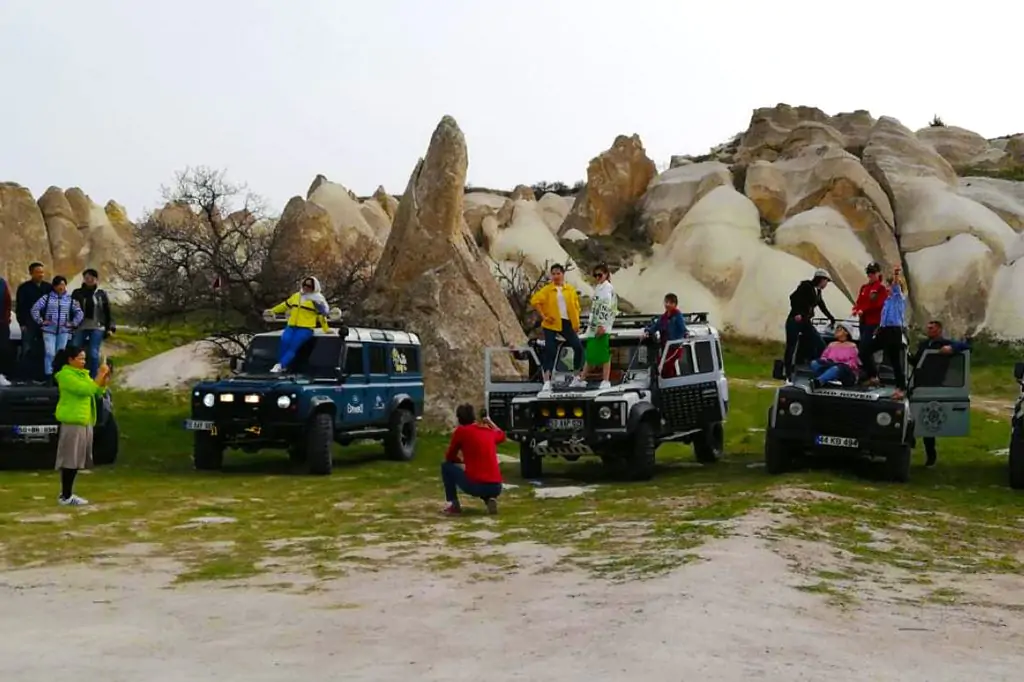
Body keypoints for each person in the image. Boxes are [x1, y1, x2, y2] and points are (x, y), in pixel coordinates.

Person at [53, 344, 112, 506]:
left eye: (84, 358)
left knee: (77, 460)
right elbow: (86, 390)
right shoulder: (65, 375)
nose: (83, 361)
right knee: (70, 460)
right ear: (70, 360)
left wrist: (104, 380)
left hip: (84, 420)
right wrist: (99, 375)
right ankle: (65, 495)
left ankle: (68, 494)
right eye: (80, 358)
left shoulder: (82, 374)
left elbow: (96, 392)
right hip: (73, 421)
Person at [909, 320, 971, 467]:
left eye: (932, 328)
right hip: (919, 384)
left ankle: (931, 456)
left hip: (934, 385)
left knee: (928, 419)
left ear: (939, 330)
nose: (929, 330)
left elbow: (966, 347)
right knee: (911, 415)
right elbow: (916, 361)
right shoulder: (924, 345)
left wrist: (951, 348)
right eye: (928, 327)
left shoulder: (944, 344)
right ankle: (908, 444)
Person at [529, 263, 583, 392]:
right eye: (553, 274)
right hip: (551, 323)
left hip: (566, 323)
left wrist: (576, 324)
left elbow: (576, 308)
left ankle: (576, 377)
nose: (556, 276)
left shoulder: (569, 289)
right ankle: (547, 380)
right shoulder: (548, 289)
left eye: (558, 273)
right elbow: (535, 301)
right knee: (550, 350)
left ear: (563, 274)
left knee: (578, 347)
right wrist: (544, 316)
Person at [441, 404, 504, 515]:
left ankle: (454, 505)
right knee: (482, 476)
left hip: (476, 486)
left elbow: (449, 456)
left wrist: (460, 462)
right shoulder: (488, 430)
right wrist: (489, 422)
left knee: (446, 466)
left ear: (459, 419)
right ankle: (489, 499)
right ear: (474, 417)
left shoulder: (461, 431)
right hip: (496, 486)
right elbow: (502, 435)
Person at [859, 265, 908, 399]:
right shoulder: (886, 301)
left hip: (894, 331)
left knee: (895, 361)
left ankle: (901, 388)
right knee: (865, 350)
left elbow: (896, 286)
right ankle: (873, 375)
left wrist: (896, 275)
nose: (888, 288)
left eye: (890, 285)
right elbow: (883, 316)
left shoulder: (898, 298)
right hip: (884, 330)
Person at [264, 276, 329, 373]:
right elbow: (284, 306)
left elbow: (321, 316)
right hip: (291, 325)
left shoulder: (317, 300)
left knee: (293, 346)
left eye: (309, 286)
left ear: (314, 287)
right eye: (304, 284)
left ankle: (280, 365)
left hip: (306, 328)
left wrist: (326, 329)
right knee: (284, 341)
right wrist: (272, 311)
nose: (306, 287)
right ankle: (283, 365)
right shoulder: (296, 296)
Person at [31, 276, 84, 382]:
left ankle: (59, 375)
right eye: (59, 285)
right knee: (50, 352)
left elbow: (79, 312)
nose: (61, 287)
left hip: (63, 331)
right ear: (54, 286)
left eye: (63, 285)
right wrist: (41, 321)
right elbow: (34, 309)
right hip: (49, 330)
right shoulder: (47, 298)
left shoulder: (70, 299)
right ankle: (48, 375)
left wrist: (73, 323)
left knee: (60, 354)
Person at [784, 269, 836, 374]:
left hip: (806, 322)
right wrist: (797, 312)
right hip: (795, 320)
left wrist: (831, 318)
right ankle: (787, 371)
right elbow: (793, 297)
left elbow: (822, 305)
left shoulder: (818, 291)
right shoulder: (806, 286)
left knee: (819, 342)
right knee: (791, 346)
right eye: (826, 281)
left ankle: (818, 367)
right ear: (821, 279)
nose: (826, 284)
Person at [71, 268, 116, 378]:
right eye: (87, 278)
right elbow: (70, 309)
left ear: (96, 279)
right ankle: (74, 374)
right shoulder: (77, 293)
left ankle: (94, 376)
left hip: (97, 326)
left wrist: (110, 327)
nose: (89, 280)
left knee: (93, 352)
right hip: (81, 325)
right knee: (74, 347)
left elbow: (107, 311)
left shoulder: (101, 294)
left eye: (92, 278)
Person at [580, 263, 617, 390]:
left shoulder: (607, 288)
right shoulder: (599, 287)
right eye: (595, 275)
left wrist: (602, 325)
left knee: (603, 353)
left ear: (606, 274)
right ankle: (582, 378)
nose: (597, 277)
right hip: (594, 325)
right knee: (590, 352)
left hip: (602, 325)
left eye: (600, 275)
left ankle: (605, 380)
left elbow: (605, 306)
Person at [15, 262, 52, 378]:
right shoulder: (24, 288)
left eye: (42, 272)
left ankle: (45, 375)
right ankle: (24, 376)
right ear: (31, 273)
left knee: (46, 349)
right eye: (37, 272)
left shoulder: (48, 287)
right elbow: (20, 307)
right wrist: (22, 323)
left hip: (46, 323)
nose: (40, 275)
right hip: (29, 323)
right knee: (27, 348)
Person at [643, 293, 688, 377]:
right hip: (665, 348)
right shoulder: (663, 317)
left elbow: (683, 329)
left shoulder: (677, 316)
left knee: (663, 364)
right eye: (666, 302)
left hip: (675, 347)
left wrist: (686, 334)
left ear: (675, 304)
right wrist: (647, 331)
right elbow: (655, 327)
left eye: (670, 303)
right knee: (667, 367)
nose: (667, 304)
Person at [810, 323, 861, 388]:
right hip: (831, 366)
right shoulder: (832, 344)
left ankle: (819, 381)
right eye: (836, 329)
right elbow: (824, 357)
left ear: (846, 332)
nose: (836, 330)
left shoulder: (852, 346)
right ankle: (824, 379)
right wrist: (826, 362)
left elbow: (853, 363)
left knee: (837, 368)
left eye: (839, 329)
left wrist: (838, 364)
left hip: (846, 372)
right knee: (815, 363)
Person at [851, 262, 887, 353]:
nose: (870, 274)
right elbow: (859, 301)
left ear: (878, 273)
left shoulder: (881, 289)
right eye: (868, 272)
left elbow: (879, 305)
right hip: (863, 322)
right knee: (863, 346)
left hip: (873, 323)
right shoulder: (864, 287)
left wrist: (863, 310)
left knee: (864, 349)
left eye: (873, 272)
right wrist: (856, 309)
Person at [0, 273, 10, 376]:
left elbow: (7, 302)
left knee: (2, 349)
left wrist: (6, 319)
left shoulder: (2, 283)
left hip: (2, 323)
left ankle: (1, 374)